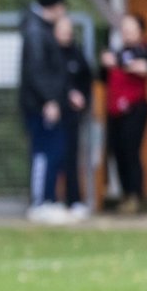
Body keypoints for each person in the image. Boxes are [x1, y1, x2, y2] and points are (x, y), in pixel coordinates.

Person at [18, 0, 71, 223]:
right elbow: (36, 70)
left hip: (48, 102)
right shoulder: (36, 31)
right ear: (55, 6)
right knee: (43, 152)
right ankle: (40, 202)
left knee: (54, 150)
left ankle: (49, 200)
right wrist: (49, 99)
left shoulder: (41, 29)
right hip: (40, 105)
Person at [100, 12, 147, 214]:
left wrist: (116, 61)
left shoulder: (143, 49)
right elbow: (104, 76)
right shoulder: (119, 52)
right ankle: (125, 194)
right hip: (114, 111)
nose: (127, 32)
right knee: (117, 152)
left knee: (131, 152)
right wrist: (106, 64)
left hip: (134, 109)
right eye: (124, 29)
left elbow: (141, 64)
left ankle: (135, 195)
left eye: (131, 28)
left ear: (140, 31)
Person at [55, 15, 93, 220]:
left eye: (68, 30)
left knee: (72, 157)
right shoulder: (51, 53)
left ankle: (74, 199)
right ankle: (50, 200)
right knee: (54, 158)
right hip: (54, 114)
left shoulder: (76, 53)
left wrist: (82, 98)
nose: (66, 34)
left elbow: (86, 79)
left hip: (72, 116)